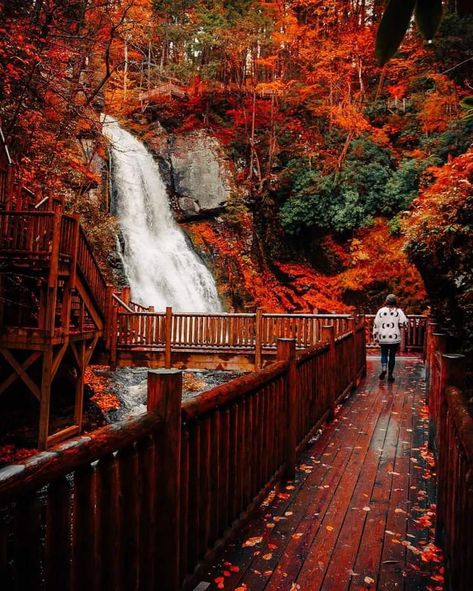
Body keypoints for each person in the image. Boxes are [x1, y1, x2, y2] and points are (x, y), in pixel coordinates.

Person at [373, 294, 408, 382]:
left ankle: (384, 369)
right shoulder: (398, 311)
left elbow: (376, 323)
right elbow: (404, 322)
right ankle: (390, 375)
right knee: (392, 356)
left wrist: (375, 335)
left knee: (384, 354)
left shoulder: (380, 311)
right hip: (394, 337)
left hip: (383, 337)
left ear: (386, 301)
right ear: (395, 302)